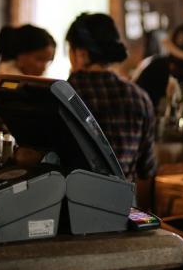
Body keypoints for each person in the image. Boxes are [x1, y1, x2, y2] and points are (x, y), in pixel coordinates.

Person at [66, 13, 157, 183]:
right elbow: (147, 168)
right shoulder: (140, 98)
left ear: (82, 53)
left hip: (73, 205)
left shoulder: (66, 95)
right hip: (124, 206)